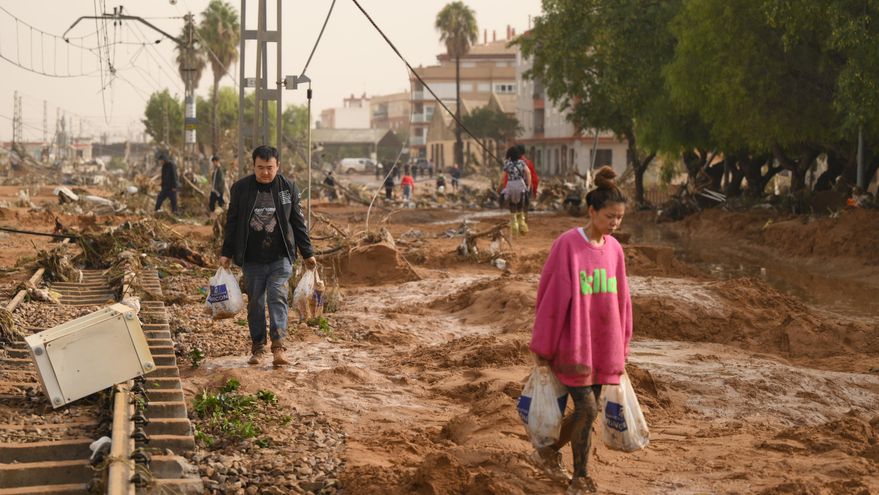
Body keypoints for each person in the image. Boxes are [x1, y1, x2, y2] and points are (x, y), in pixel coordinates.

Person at [529, 166, 632, 495]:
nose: (614, 224)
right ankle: (580, 477)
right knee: (587, 409)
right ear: (592, 211)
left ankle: (547, 452)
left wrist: (622, 347)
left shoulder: (615, 250)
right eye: (609, 217)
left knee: (590, 411)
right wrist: (543, 347)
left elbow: (622, 301)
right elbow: (553, 298)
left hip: (603, 347)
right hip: (573, 346)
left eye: (619, 218)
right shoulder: (568, 246)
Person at [220, 145, 317, 367]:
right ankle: (258, 347)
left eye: (269, 168)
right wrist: (226, 252)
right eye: (260, 168)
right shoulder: (241, 188)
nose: (265, 172)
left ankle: (278, 347)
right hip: (252, 258)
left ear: (278, 166)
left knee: (277, 296)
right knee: (256, 303)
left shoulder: (288, 188)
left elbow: (298, 223)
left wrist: (307, 252)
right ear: (253, 166)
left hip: (280, 257)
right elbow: (232, 223)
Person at [501, 146, 531, 235]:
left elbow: (503, 178)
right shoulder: (522, 163)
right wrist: (528, 186)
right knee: (520, 206)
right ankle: (522, 226)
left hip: (511, 185)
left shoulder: (507, 163)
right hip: (520, 185)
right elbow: (528, 173)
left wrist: (501, 187)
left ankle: (514, 227)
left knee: (512, 205)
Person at [518, 144, 540, 211]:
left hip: (516, 188)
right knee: (525, 208)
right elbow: (535, 179)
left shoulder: (512, 163)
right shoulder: (529, 163)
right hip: (527, 188)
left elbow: (506, 179)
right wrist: (534, 191)